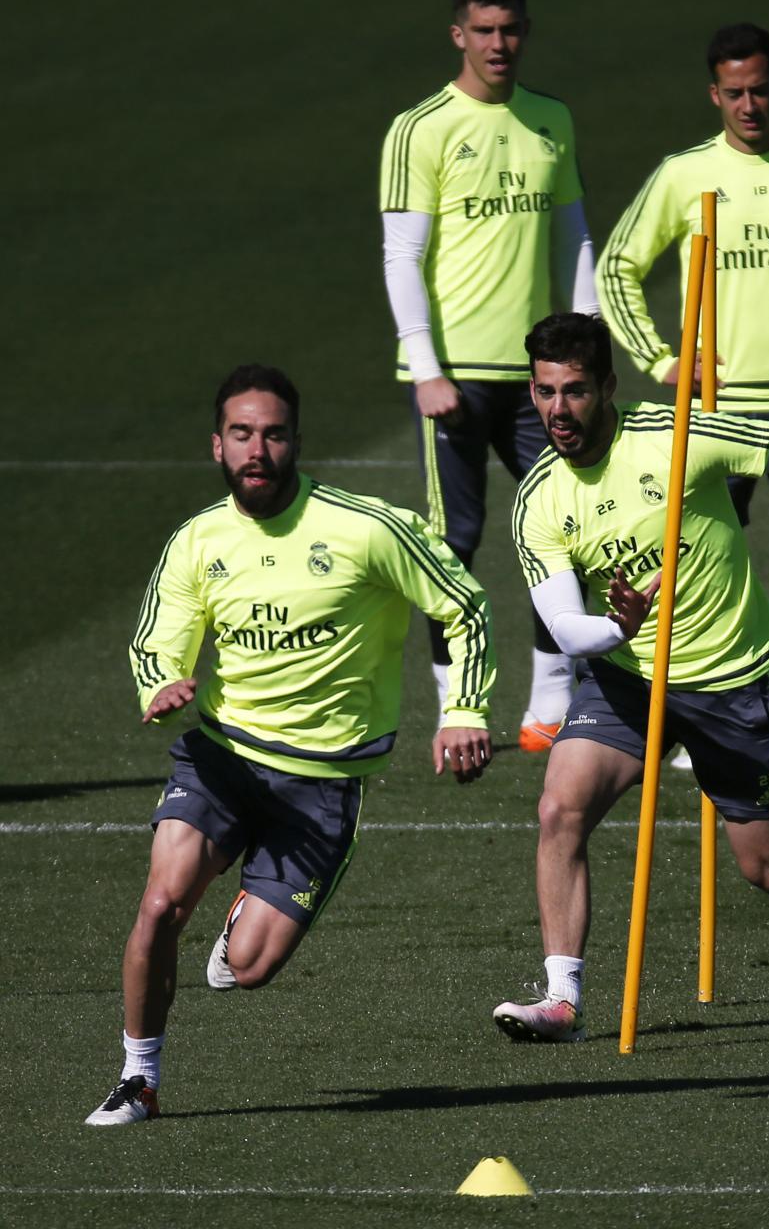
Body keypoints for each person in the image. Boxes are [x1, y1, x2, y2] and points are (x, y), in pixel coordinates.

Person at [491, 313, 769, 1042]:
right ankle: (562, 998)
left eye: (574, 391)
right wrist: (619, 631)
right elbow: (566, 626)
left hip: (733, 678)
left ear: (607, 386)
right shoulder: (538, 498)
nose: (558, 411)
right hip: (628, 677)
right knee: (559, 808)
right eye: (544, 393)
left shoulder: (678, 436)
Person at [86, 367, 494, 1125]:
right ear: (217, 444)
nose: (257, 449)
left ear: (296, 442)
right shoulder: (198, 541)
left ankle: (245, 920)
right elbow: (157, 646)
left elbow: (464, 603)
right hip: (222, 757)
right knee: (159, 905)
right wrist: (162, 685)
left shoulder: (366, 528)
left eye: (273, 434)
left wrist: (464, 710)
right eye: (242, 433)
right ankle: (138, 1078)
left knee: (249, 968)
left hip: (323, 785)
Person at [597, 22, 769, 769]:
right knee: (690, 561)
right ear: (715, 94)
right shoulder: (686, 174)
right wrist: (660, 358)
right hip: (715, 408)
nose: (749, 105)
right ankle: (696, 717)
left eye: (761, 89)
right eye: (735, 93)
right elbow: (617, 265)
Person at [379, 0, 597, 753]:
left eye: (510, 30)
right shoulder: (422, 128)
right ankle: (457, 708)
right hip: (455, 377)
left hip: (540, 377)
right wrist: (426, 367)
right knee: (454, 543)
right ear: (458, 36)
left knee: (559, 531)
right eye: (484, 31)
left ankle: (548, 705)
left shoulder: (551, 120)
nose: (498, 44)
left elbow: (574, 235)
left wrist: (588, 343)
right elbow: (402, 256)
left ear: (524, 32)